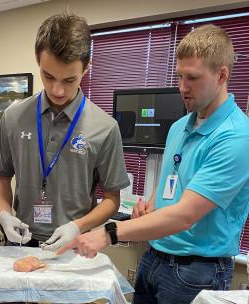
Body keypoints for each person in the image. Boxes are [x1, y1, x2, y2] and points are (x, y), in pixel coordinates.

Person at [58, 24, 249, 304]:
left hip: (196, 271)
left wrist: (109, 233)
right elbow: (171, 181)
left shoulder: (236, 137)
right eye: (179, 76)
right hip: (154, 258)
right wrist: (151, 204)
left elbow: (185, 215)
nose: (182, 88)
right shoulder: (181, 125)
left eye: (192, 78)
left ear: (222, 75)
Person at [0, 12, 130, 250]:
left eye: (69, 80)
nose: (58, 90)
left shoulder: (105, 127)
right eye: (48, 76)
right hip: (20, 244)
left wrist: (78, 226)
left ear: (86, 68)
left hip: (74, 247)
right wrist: (4, 214)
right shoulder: (13, 117)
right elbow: (0, 178)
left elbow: (113, 200)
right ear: (37, 60)